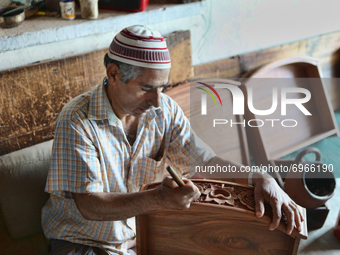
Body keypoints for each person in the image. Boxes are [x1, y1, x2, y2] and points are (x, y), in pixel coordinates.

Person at [41, 25, 304, 255]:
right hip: (84, 239)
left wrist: (257, 176)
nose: (157, 101)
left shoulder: (164, 109)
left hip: (141, 234)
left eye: (162, 87)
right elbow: (90, 205)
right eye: (146, 88)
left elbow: (205, 161)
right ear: (114, 75)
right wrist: (159, 199)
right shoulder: (77, 119)